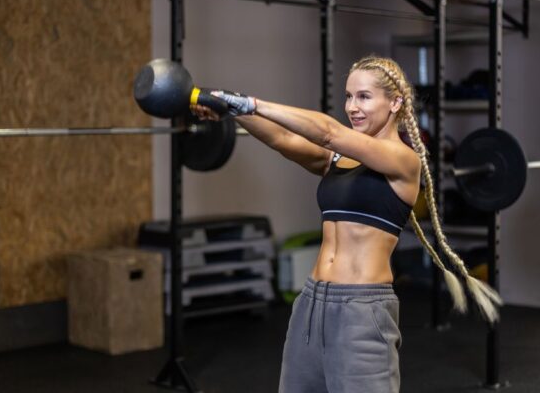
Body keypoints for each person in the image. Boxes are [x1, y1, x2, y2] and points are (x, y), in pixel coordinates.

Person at [191, 56, 500, 393]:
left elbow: (328, 133)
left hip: (362, 311)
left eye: (364, 97)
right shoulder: (337, 159)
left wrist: (253, 103)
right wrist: (232, 109)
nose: (353, 107)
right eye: (349, 96)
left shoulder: (404, 161)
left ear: (395, 102)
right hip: (311, 305)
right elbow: (282, 139)